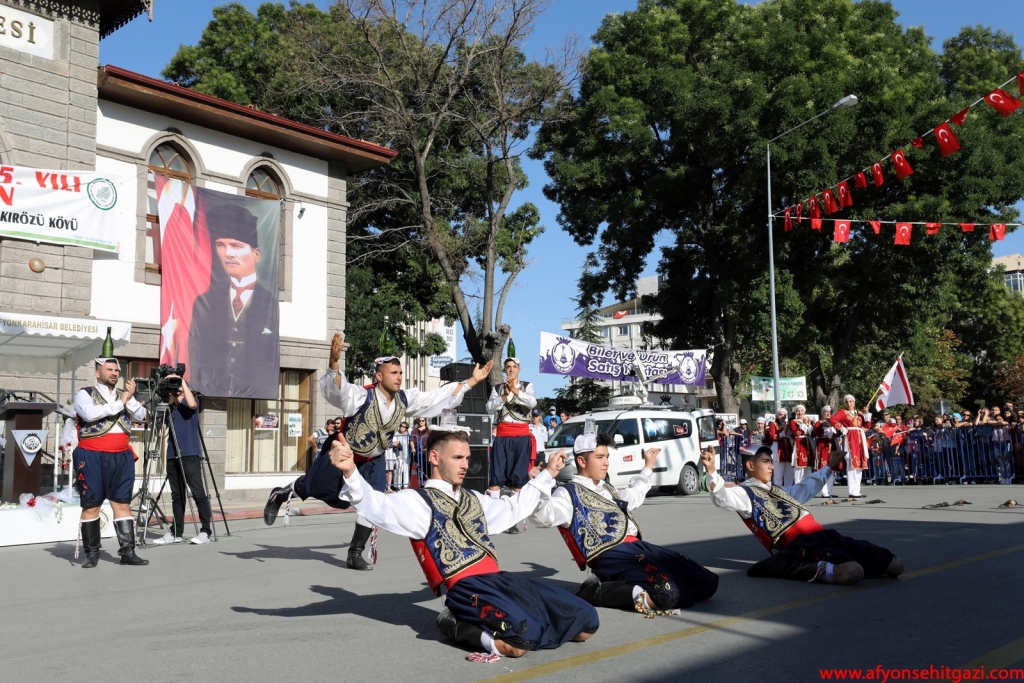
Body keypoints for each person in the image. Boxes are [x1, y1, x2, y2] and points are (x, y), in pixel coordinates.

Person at [329, 427, 599, 658]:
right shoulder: (416, 501)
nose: (465, 465)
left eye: (467, 458)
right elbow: (377, 504)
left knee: (586, 621)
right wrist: (351, 471)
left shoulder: (474, 498)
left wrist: (548, 473)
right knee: (519, 642)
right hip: (465, 587)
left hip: (500, 580)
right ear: (434, 457)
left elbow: (513, 507)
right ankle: (454, 623)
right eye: (457, 457)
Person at [262, 332, 492, 570]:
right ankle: (280, 495)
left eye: (400, 372)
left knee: (373, 501)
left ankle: (355, 553)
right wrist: (334, 363)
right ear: (379, 376)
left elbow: (435, 397)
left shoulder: (404, 400)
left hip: (374, 460)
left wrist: (471, 381)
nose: (399, 377)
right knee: (315, 487)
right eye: (394, 373)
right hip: (344, 454)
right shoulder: (362, 396)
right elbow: (339, 392)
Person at [529, 433, 718, 616]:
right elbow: (543, 516)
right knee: (666, 594)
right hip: (609, 555)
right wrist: (541, 482)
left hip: (638, 548)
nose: (606, 462)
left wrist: (648, 466)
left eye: (607, 457)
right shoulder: (567, 493)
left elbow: (633, 495)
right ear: (582, 461)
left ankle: (624, 585)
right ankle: (596, 592)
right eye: (600, 457)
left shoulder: (607, 488)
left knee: (707, 582)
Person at [702, 446, 903, 585]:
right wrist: (712, 473)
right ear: (750, 466)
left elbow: (806, 486)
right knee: (852, 572)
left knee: (895, 566)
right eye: (766, 462)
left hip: (825, 536)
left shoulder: (778, 489)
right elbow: (723, 498)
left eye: (771, 462)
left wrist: (829, 467)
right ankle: (782, 564)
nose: (772, 467)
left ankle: (792, 563)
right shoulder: (744, 493)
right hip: (800, 545)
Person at [188, 203, 279, 399]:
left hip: (252, 400)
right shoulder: (204, 303)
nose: (228, 253)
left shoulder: (270, 303)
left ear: (256, 253)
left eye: (236, 246)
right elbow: (196, 358)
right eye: (221, 245)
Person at [72, 358, 149, 568]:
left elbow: (142, 416)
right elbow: (89, 414)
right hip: (92, 456)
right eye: (109, 369)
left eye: (116, 370)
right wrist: (121, 402)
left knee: (122, 503)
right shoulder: (85, 394)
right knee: (92, 505)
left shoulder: (124, 395)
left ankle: (128, 552)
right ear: (97, 373)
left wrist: (129, 399)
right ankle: (91, 553)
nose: (114, 373)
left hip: (121, 456)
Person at [153, 373, 214, 545]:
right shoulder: (169, 408)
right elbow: (160, 433)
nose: (174, 386)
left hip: (189, 454)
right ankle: (176, 532)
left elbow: (192, 404)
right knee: (177, 496)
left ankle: (205, 531)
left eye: (177, 384)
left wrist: (182, 382)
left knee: (198, 493)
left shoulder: (192, 402)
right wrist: (150, 414)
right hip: (172, 455)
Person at [485, 358, 538, 534]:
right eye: (508, 367)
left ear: (519, 370)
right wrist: (505, 395)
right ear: (504, 369)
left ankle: (513, 520)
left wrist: (515, 391)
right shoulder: (497, 388)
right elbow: (489, 408)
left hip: (521, 437)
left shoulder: (527, 386)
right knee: (496, 477)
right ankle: (493, 517)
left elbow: (532, 403)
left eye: (514, 367)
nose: (511, 370)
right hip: (502, 436)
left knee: (518, 478)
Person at [830, 395, 871, 498]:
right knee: (851, 465)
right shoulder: (843, 412)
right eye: (847, 402)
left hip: (860, 440)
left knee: (859, 466)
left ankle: (857, 490)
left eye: (851, 401)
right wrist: (841, 427)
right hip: (850, 439)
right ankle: (852, 491)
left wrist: (866, 413)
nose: (849, 403)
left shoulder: (860, 413)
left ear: (854, 402)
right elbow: (832, 419)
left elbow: (867, 426)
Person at [812, 405, 838, 498]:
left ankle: (830, 490)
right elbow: (819, 434)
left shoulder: (834, 422)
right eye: (826, 412)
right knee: (823, 468)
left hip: (832, 445)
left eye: (830, 412)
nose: (828, 413)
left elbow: (838, 433)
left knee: (831, 469)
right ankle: (824, 491)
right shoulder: (819, 423)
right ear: (822, 413)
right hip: (823, 446)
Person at [764, 408, 794, 486]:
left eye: (784, 415)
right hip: (778, 451)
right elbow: (772, 437)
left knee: (789, 474)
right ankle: (778, 491)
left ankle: (788, 490)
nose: (782, 416)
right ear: (777, 415)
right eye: (780, 414)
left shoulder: (789, 424)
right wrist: (783, 432)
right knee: (778, 475)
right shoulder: (773, 424)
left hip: (789, 451)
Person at [788, 405, 813, 485]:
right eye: (798, 411)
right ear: (795, 412)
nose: (800, 412)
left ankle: (807, 487)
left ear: (804, 412)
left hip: (807, 444)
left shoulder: (808, 420)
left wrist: (809, 425)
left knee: (808, 468)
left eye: (802, 410)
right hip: (799, 444)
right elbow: (796, 432)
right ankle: (798, 486)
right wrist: (804, 424)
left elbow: (812, 433)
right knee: (799, 467)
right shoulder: (793, 422)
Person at [386, 422, 411, 492]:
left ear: (406, 428)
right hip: (398, 455)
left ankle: (405, 485)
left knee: (405, 470)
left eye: (403, 427)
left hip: (406, 455)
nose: (401, 427)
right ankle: (398, 485)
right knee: (398, 470)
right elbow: (395, 443)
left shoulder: (408, 435)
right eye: (401, 426)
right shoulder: (396, 434)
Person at [410, 417, 431, 485]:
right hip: (417, 450)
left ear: (425, 421)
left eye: (423, 420)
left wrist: (428, 448)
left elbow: (431, 440)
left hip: (425, 450)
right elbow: (411, 440)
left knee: (425, 467)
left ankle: (425, 481)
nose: (421, 422)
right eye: (420, 420)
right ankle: (418, 482)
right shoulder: (414, 431)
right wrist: (413, 448)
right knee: (417, 466)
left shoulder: (428, 430)